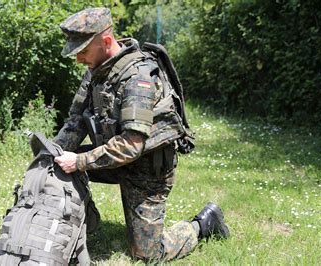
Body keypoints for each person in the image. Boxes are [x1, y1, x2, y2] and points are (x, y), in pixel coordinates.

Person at [53, 7, 229, 261]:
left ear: (105, 41)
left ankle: (204, 224)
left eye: (82, 51)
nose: (79, 59)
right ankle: (81, 220)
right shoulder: (96, 71)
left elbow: (131, 145)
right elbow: (76, 122)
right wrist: (53, 154)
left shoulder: (138, 77)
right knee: (60, 165)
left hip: (146, 172)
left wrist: (78, 161)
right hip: (113, 161)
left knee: (148, 255)